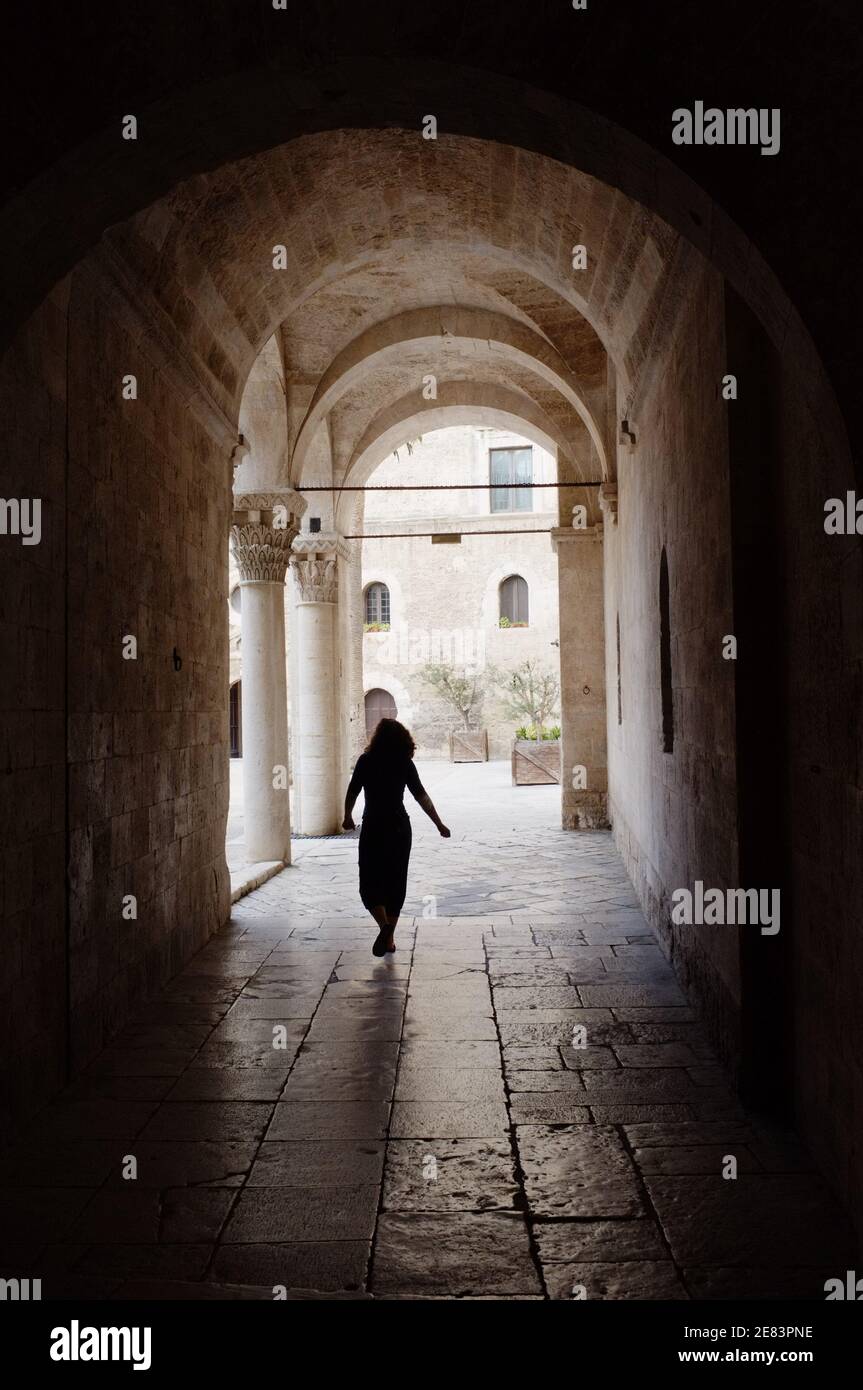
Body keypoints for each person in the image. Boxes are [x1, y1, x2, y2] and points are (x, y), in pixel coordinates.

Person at [343, 718, 450, 956]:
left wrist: (347, 816)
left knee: (370, 881)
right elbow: (422, 797)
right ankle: (389, 939)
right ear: (404, 740)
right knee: (395, 881)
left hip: (373, 827)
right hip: (399, 829)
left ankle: (384, 928)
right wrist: (439, 824)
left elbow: (353, 790)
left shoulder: (366, 761)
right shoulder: (404, 763)